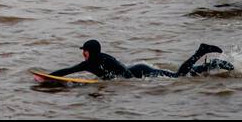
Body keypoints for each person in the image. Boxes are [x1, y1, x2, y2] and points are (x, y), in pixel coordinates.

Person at [49, 39, 231, 80]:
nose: (83, 53)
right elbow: (68, 71)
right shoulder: (88, 63)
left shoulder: (104, 60)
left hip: (143, 72)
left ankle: (201, 52)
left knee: (178, 77)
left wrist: (134, 83)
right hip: (139, 70)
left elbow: (125, 72)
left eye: (85, 51)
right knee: (182, 76)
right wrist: (47, 75)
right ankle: (211, 66)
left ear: (91, 52)